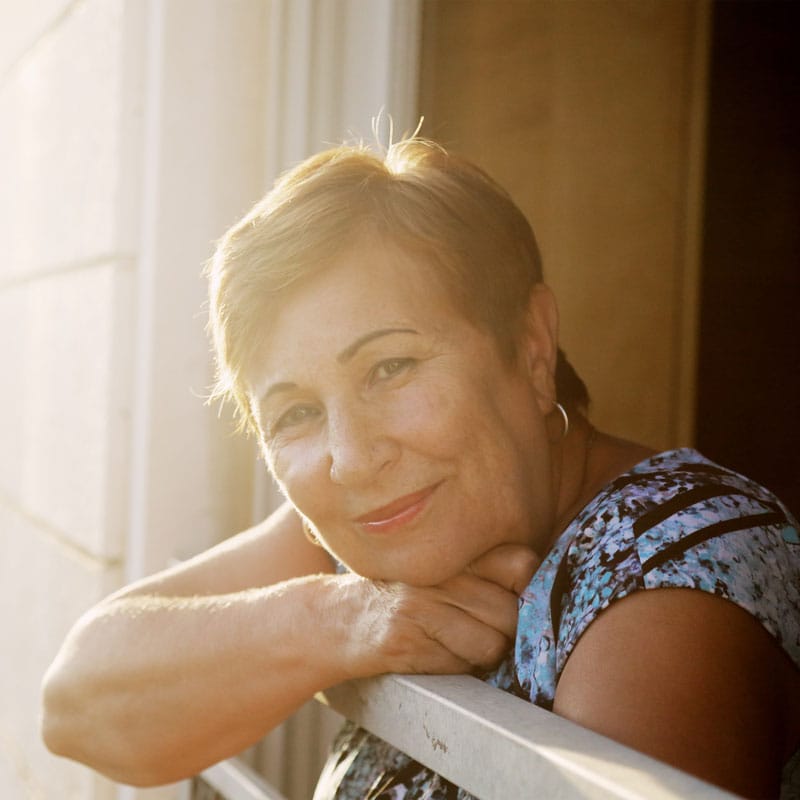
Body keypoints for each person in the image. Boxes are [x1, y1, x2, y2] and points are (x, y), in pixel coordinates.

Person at [41, 137, 800, 799]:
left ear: (532, 349)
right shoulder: (377, 523)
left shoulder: (675, 580)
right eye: (296, 412)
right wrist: (340, 619)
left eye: (391, 366)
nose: (351, 455)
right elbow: (77, 706)